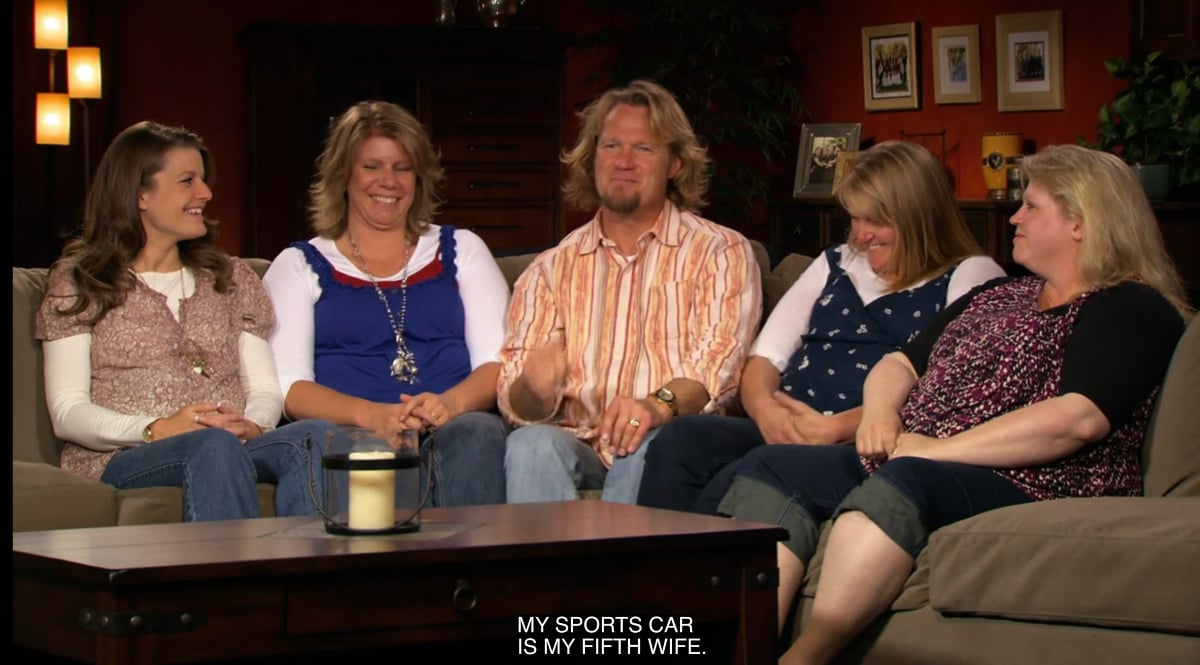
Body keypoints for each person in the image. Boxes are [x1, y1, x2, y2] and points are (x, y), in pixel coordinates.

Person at [718, 144, 1191, 663]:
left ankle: (804, 658)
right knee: (775, 467)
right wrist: (879, 414)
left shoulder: (1130, 305)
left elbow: (1076, 419)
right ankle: (746, 650)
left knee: (906, 482)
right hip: (916, 454)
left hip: (1029, 476)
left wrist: (940, 450)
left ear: (1081, 222)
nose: (1015, 217)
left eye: (1031, 206)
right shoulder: (1001, 296)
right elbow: (899, 365)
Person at [638, 140, 1006, 514]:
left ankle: (685, 568)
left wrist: (836, 428)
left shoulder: (971, 275)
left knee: (739, 476)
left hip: (868, 445)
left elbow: (952, 396)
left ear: (919, 218)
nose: (861, 235)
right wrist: (768, 412)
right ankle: (653, 567)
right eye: (855, 218)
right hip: (788, 429)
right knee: (680, 439)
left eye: (876, 220)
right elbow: (764, 358)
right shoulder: (836, 262)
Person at [36, 121, 338, 522]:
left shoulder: (230, 279)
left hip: (232, 442)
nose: (206, 193)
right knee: (211, 446)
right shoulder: (82, 280)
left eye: (203, 180)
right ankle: (235, 584)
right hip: (128, 456)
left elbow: (263, 387)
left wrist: (252, 424)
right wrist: (156, 428)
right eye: (187, 181)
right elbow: (68, 411)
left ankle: (307, 582)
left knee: (315, 437)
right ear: (141, 194)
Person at [498, 79, 762, 504]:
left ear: (675, 163)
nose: (623, 161)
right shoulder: (550, 269)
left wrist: (655, 406)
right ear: (591, 158)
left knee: (647, 445)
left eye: (643, 148)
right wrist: (532, 388)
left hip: (669, 439)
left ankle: (623, 571)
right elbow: (516, 400)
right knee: (530, 445)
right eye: (610, 146)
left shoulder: (719, 252)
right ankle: (538, 572)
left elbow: (719, 369)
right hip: (577, 442)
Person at [263, 100, 510, 507]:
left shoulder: (462, 249)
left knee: (478, 435)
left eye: (403, 167)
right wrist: (372, 415)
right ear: (343, 175)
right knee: (361, 450)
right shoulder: (297, 265)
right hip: (355, 429)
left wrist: (449, 404)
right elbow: (290, 388)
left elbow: (498, 362)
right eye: (371, 167)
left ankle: (473, 568)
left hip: (454, 422)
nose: (388, 182)